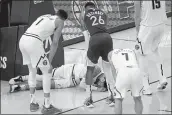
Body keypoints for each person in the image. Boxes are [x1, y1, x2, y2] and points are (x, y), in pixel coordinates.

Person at [19, 9, 68, 114]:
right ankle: (47, 106)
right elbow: (55, 43)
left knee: (32, 71)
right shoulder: (60, 21)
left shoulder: (45, 16)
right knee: (48, 70)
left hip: (23, 39)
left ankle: (33, 103)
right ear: (63, 18)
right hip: (33, 42)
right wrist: (49, 61)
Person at [80, 2, 116, 108]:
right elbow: (104, 22)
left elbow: (84, 29)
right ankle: (112, 97)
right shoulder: (102, 12)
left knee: (90, 70)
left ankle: (89, 99)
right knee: (107, 69)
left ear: (86, 8)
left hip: (94, 39)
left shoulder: (84, 13)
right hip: (107, 38)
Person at [134, 1, 168, 95]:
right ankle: (162, 78)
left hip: (148, 27)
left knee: (140, 54)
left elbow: (137, 16)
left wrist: (137, 31)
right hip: (161, 25)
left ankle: (146, 87)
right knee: (155, 50)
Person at [9, 64, 108, 92]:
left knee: (47, 84)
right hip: (68, 70)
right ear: (103, 79)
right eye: (101, 84)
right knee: (45, 77)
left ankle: (20, 88)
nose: (98, 85)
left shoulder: (98, 77)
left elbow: (84, 84)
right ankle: (22, 78)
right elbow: (83, 85)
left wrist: (95, 87)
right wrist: (97, 89)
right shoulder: (96, 69)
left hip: (70, 82)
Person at [109, 48, 144, 114]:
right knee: (138, 98)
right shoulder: (131, 50)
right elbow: (137, 62)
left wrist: (117, 83)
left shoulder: (110, 54)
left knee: (118, 99)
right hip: (136, 70)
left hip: (123, 72)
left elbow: (113, 70)